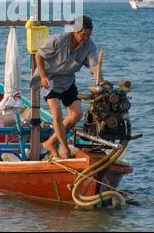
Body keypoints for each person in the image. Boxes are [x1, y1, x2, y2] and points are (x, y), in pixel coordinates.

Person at [30, 15, 103, 159]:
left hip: (68, 82)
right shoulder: (58, 40)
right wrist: (43, 76)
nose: (86, 38)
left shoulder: (89, 46)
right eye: (83, 34)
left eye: (89, 35)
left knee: (77, 114)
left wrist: (101, 81)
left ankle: (50, 142)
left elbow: (95, 67)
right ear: (75, 31)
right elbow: (39, 55)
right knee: (57, 115)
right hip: (50, 80)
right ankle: (65, 149)